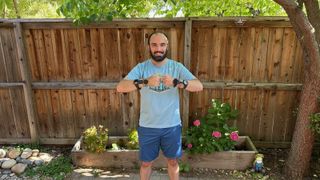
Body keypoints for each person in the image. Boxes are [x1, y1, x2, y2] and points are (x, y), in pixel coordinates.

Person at [116, 32, 203, 180]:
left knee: (173, 161)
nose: (158, 49)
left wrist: (178, 82)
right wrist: (144, 82)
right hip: (148, 126)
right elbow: (120, 87)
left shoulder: (176, 67)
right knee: (145, 163)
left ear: (167, 46)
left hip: (172, 125)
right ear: (149, 46)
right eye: (154, 45)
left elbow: (198, 86)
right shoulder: (142, 68)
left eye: (162, 45)